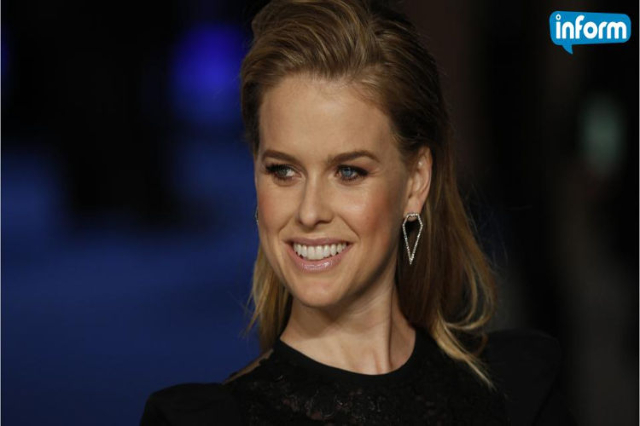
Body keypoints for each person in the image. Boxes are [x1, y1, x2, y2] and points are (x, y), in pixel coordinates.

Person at [140, 0, 575, 424]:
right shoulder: (201, 418)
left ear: (415, 182)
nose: (309, 211)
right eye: (284, 171)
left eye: (348, 171)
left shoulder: (519, 390)